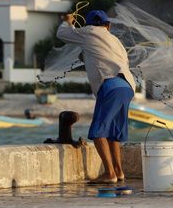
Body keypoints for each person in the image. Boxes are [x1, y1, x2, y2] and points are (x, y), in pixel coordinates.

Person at [57, 10, 136, 184]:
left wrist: (68, 21)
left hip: (110, 85)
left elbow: (62, 34)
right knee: (113, 134)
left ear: (89, 24)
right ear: (108, 25)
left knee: (98, 132)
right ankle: (119, 171)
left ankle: (109, 174)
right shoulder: (115, 40)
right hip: (127, 86)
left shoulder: (88, 32)